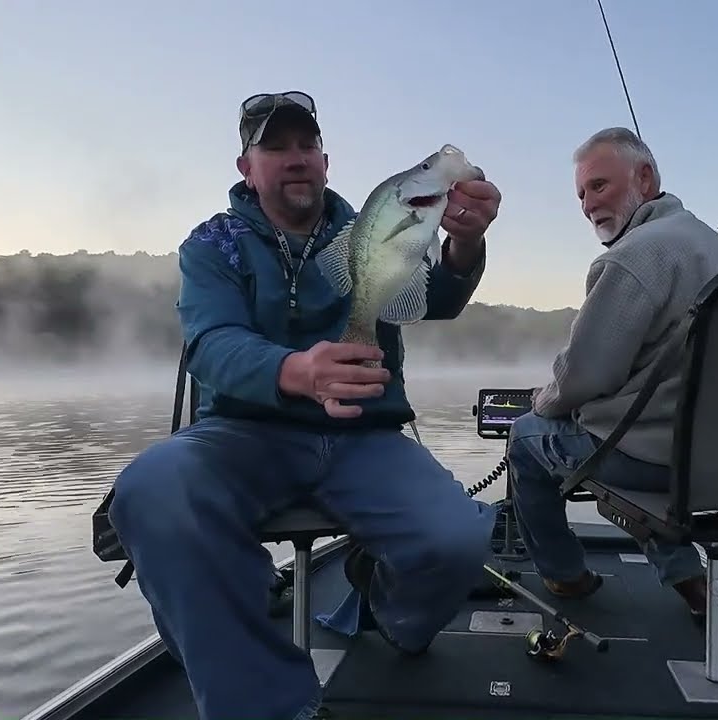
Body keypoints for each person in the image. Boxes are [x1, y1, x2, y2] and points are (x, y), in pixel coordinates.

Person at [106, 91, 503, 720]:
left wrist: (463, 245)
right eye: (274, 147)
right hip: (243, 433)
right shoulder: (212, 245)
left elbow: (439, 297)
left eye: (306, 145)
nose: (295, 158)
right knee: (151, 490)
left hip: (364, 436)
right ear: (246, 166)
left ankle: (390, 613)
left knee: (457, 537)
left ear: (325, 158)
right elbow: (211, 344)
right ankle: (268, 704)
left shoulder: (370, 227)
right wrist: (295, 370)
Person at [505, 126, 718, 617]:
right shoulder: (713, 245)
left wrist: (542, 403)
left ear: (645, 179)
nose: (588, 205)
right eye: (583, 194)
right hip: (717, 458)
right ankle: (690, 583)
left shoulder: (636, 255)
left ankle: (565, 575)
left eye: (599, 186)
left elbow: (583, 376)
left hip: (651, 457)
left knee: (528, 438)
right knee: (618, 431)